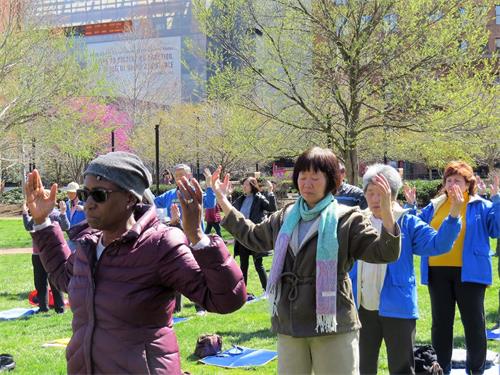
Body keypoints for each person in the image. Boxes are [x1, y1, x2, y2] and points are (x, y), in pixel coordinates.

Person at [24, 151, 246, 374]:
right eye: (85, 194)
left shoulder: (160, 244)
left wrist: (197, 236)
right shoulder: (89, 245)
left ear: (130, 197)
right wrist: (42, 223)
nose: (88, 204)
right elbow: (65, 279)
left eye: (99, 195)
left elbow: (227, 300)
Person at [212, 147, 401, 374]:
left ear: (330, 180)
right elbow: (254, 237)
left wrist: (388, 212)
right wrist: (223, 200)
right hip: (290, 322)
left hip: (333, 323)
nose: (307, 183)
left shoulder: (348, 218)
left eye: (315, 177)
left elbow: (384, 253)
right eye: (303, 176)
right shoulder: (285, 216)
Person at [349, 164, 462, 375]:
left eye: (381, 193)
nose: (375, 199)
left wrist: (454, 215)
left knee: (402, 368)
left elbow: (439, 244)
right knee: (361, 367)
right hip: (360, 307)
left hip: (398, 307)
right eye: (370, 193)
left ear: (393, 195)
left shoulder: (407, 222)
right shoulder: (356, 220)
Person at [404, 161, 499, 375]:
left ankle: (476, 370)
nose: (452, 184)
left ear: (468, 184)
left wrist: (497, 199)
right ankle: (441, 370)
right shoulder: (434, 205)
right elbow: (413, 228)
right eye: (449, 180)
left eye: (457, 180)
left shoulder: (480, 206)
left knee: (474, 325)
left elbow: (497, 229)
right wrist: (411, 206)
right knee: (441, 326)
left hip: (471, 274)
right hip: (437, 273)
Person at [154, 163, 215, 315]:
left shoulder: (196, 192)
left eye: (182, 175)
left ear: (189, 176)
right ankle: (176, 308)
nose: (179, 178)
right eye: (176, 176)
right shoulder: (169, 196)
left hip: (193, 238)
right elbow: (153, 204)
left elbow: (210, 203)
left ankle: (200, 307)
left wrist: (209, 187)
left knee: (195, 272)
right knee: (175, 271)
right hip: (174, 240)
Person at [22, 199, 69, 314]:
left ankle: (60, 307)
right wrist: (25, 212)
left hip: (52, 254)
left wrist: (63, 213)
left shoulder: (55, 214)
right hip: (38, 254)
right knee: (40, 281)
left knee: (54, 280)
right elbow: (29, 226)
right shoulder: (37, 215)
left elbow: (66, 226)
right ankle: (43, 307)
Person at [232, 176, 277, 293]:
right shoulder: (241, 199)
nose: (244, 187)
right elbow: (230, 210)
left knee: (258, 265)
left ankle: (267, 290)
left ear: (252, 185)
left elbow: (272, 208)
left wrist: (271, 192)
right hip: (243, 236)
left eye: (246, 184)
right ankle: (243, 292)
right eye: (243, 185)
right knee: (243, 265)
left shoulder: (259, 198)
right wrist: (226, 195)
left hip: (255, 235)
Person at [62, 181, 86, 251]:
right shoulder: (67, 204)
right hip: (71, 235)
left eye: (72, 193)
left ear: (77, 193)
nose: (69, 194)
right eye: (68, 192)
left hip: (83, 236)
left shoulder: (84, 202)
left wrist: (84, 209)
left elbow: (94, 214)